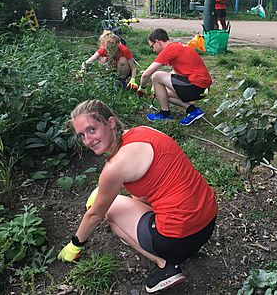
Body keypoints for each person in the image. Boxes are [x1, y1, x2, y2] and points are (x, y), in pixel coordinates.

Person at [57, 100, 218, 293]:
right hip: (207, 224)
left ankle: (164, 264)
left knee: (109, 214)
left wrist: (75, 245)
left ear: (111, 123)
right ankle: (160, 242)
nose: (88, 140)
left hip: (178, 241)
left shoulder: (114, 167)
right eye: (81, 135)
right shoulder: (144, 131)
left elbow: (94, 215)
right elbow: (146, 190)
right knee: (113, 202)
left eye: (92, 129)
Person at [138, 28, 212, 125]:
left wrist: (142, 88)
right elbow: (176, 72)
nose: (153, 50)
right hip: (202, 88)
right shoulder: (178, 46)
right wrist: (157, 89)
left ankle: (164, 114)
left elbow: (146, 74)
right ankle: (193, 110)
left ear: (157, 42)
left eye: (152, 46)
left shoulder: (169, 49)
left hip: (196, 86)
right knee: (162, 94)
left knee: (156, 75)